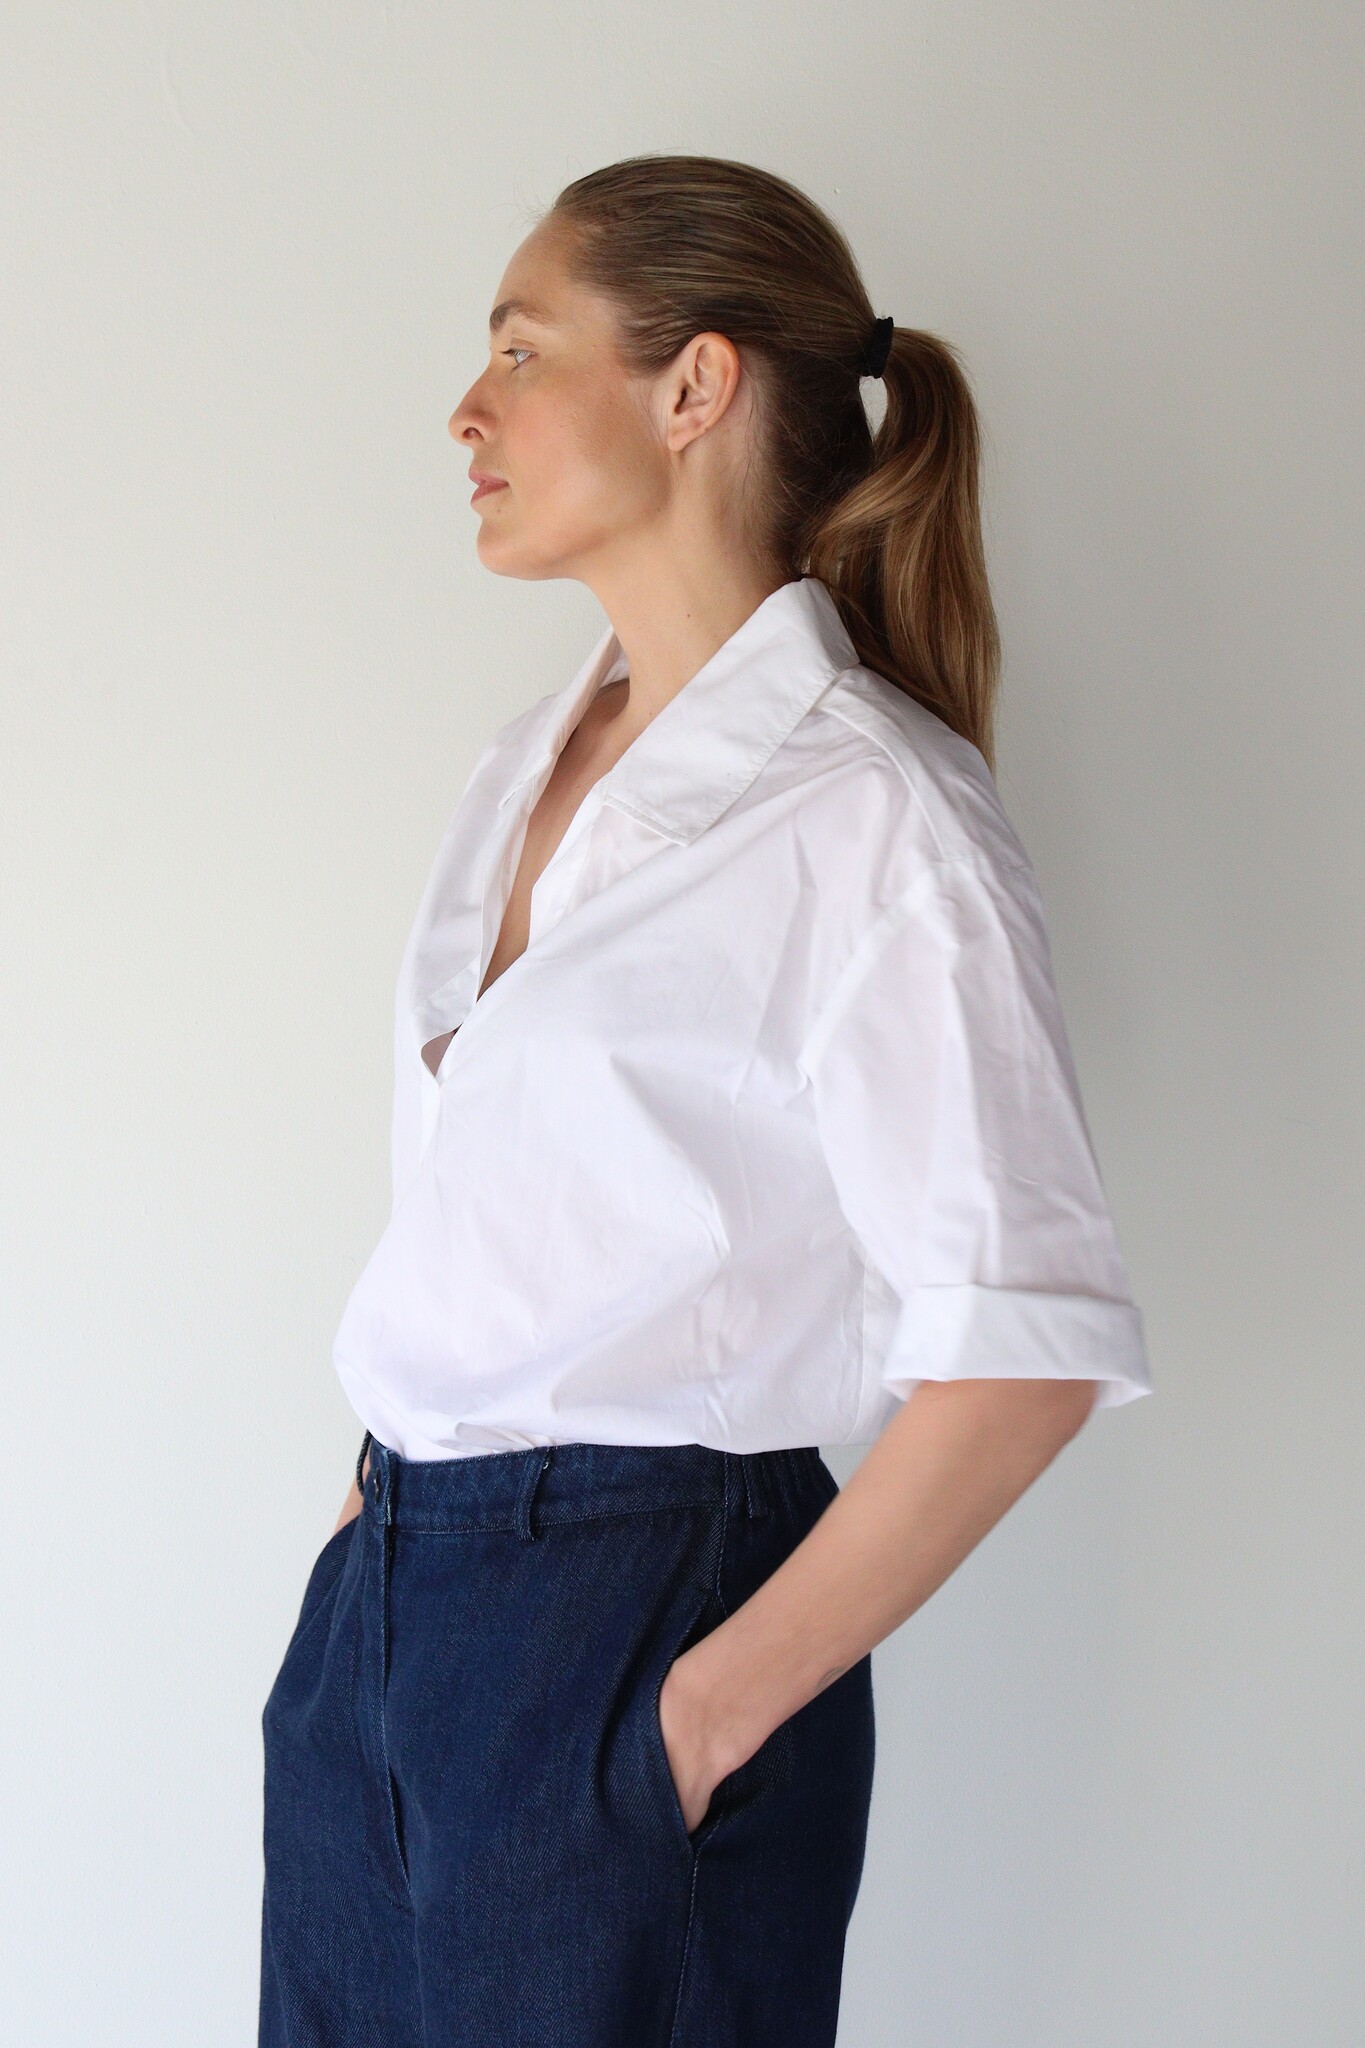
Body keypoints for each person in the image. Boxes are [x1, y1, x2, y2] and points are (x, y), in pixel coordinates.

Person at [258, 153, 1152, 2048]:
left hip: (632, 1632)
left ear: (694, 385)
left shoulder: (872, 812)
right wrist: (360, 1552)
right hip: (380, 1635)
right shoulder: (523, 766)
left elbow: (1025, 1350)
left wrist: (697, 1717)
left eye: (520, 348)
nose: (466, 410)